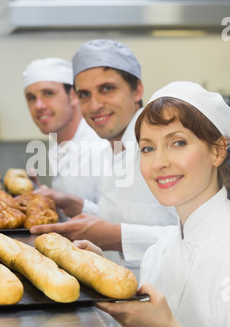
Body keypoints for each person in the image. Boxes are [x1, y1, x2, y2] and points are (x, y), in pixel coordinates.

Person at [88, 81, 230, 327]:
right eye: (148, 148)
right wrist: (102, 282)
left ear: (218, 150)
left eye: (178, 142)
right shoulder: (159, 252)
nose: (159, 163)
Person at [30, 40, 177, 262]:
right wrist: (78, 206)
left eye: (107, 89)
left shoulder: (167, 149)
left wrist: (118, 237)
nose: (95, 105)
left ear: (137, 89)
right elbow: (121, 217)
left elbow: (200, 237)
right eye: (84, 95)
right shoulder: (112, 148)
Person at [23, 57, 107, 205]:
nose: (38, 105)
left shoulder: (100, 147)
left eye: (48, 93)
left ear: (74, 96)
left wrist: (76, 206)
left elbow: (115, 219)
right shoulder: (57, 146)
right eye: (31, 98)